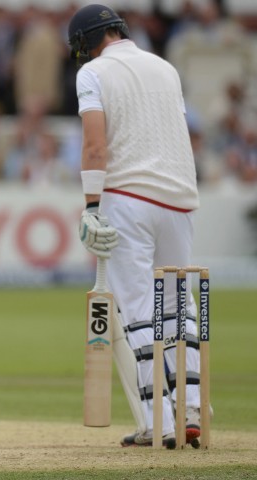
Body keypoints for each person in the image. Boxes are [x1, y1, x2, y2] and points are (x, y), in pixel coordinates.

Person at [68, 5, 202, 448]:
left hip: (127, 198)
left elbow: (94, 143)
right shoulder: (166, 68)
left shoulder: (94, 73)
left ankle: (161, 422)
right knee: (179, 308)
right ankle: (195, 409)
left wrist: (91, 205)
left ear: (87, 42)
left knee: (141, 312)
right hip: (179, 200)